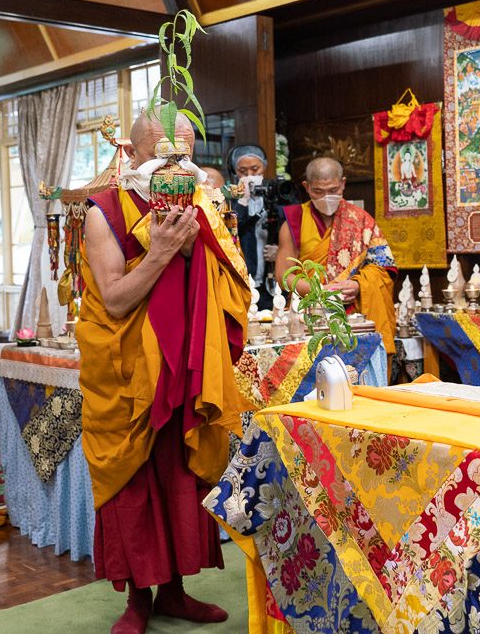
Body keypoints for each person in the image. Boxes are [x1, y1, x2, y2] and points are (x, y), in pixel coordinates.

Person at [79, 111, 252, 634]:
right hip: (127, 371)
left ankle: (175, 592)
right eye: (162, 155)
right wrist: (159, 252)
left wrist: (202, 246)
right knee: (133, 483)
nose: (175, 167)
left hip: (186, 365)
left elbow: (233, 283)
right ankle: (137, 600)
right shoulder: (102, 211)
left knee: (181, 475)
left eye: (184, 156)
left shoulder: (203, 206)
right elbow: (112, 299)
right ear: (130, 155)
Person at [274, 156, 397, 354]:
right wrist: (322, 292)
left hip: (354, 318)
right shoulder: (294, 221)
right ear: (307, 187)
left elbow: (384, 267)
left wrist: (359, 285)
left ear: (343, 184)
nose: (326, 197)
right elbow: (284, 277)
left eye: (333, 190)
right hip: (310, 316)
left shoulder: (361, 220)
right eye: (318, 191)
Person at [228, 144, 278, 310]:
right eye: (243, 171)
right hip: (244, 280)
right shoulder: (231, 200)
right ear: (235, 172)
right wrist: (243, 201)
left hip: (271, 280)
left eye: (255, 169)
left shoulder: (275, 195)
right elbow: (230, 232)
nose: (249, 175)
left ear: (263, 168)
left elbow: (291, 231)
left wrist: (281, 250)